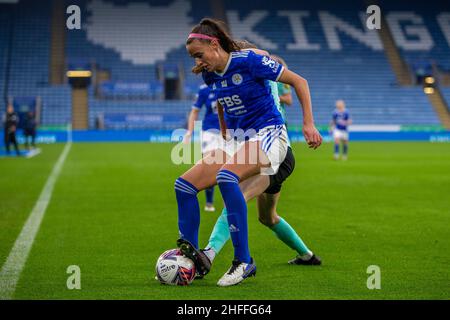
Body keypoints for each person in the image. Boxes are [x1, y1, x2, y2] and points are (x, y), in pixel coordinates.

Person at [174, 18, 322, 287]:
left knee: (229, 181)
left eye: (198, 55)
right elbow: (221, 99)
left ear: (215, 44)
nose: (197, 62)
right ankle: (192, 254)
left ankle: (243, 261)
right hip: (241, 141)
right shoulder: (209, 74)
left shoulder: (250, 60)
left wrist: (309, 124)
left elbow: (298, 80)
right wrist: (223, 129)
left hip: (270, 136)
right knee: (184, 185)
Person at [183, 84, 220, 212]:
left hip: (231, 131)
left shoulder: (230, 81)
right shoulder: (204, 89)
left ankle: (234, 200)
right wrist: (189, 132)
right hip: (209, 132)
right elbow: (194, 111)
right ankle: (209, 202)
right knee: (209, 165)